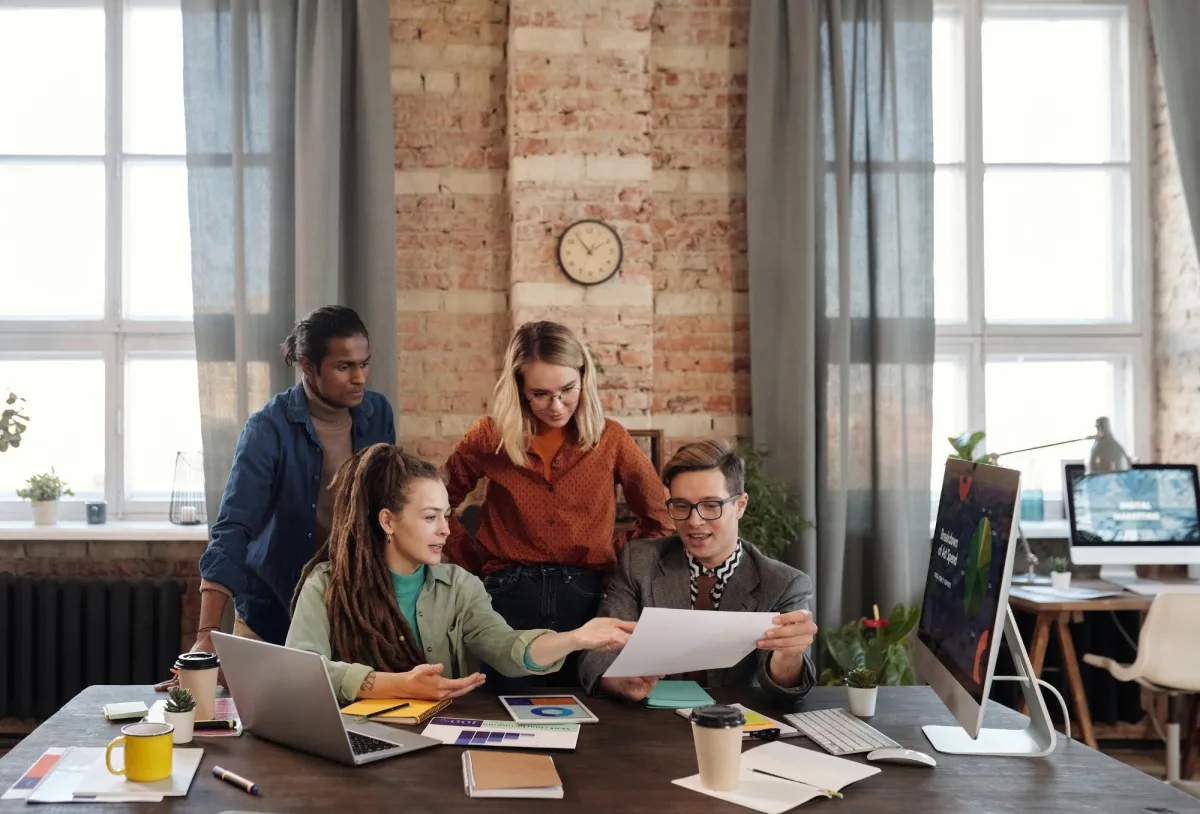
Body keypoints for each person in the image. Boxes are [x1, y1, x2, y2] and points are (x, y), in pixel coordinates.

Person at [156, 306, 395, 691]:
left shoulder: (378, 412)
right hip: (272, 611)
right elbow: (233, 527)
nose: (360, 378)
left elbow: (386, 508)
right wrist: (206, 634)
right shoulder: (268, 428)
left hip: (350, 613)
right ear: (307, 365)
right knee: (258, 737)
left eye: (364, 364)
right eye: (344, 366)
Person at [286, 444, 636, 703]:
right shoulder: (327, 584)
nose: (446, 530)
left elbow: (506, 648)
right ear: (388, 520)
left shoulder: (461, 586)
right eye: (429, 517)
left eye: (446, 515)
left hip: (441, 744)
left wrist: (576, 638)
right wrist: (396, 685)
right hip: (355, 741)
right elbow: (301, 672)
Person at [442, 321, 673, 691]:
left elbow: (661, 518)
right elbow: (437, 506)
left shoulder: (611, 439)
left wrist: (609, 551)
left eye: (567, 390)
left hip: (585, 596)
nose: (556, 405)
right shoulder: (488, 437)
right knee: (505, 710)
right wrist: (474, 561)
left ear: (584, 377)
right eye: (541, 394)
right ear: (519, 388)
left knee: (588, 712)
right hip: (505, 598)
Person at [579, 439, 819, 703]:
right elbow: (596, 652)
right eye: (681, 506)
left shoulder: (784, 583)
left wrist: (789, 655)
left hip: (737, 727)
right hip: (651, 726)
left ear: (740, 505)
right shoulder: (639, 561)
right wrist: (616, 680)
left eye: (711, 506)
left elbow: (784, 690)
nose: (694, 521)